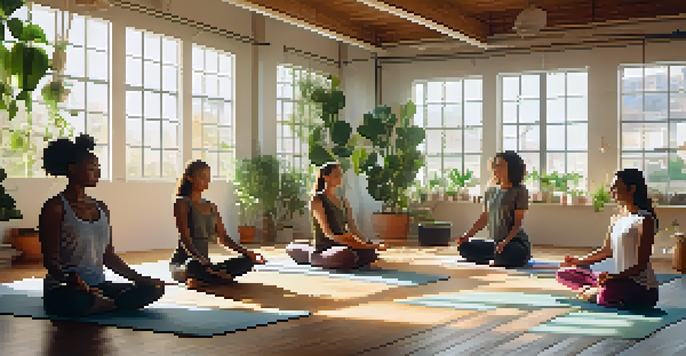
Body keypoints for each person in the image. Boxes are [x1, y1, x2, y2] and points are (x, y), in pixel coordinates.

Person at [39, 134, 165, 317]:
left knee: (154, 289)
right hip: (65, 288)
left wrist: (139, 278)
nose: (98, 173)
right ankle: (105, 303)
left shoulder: (101, 208)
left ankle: (102, 303)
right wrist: (70, 280)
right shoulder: (55, 207)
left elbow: (109, 256)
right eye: (91, 168)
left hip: (99, 286)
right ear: (72, 169)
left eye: (98, 168)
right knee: (76, 300)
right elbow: (50, 261)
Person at [556, 168, 659, 310]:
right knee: (564, 273)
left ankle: (596, 292)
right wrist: (578, 261)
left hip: (640, 286)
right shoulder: (617, 218)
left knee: (607, 293)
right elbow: (606, 251)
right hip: (616, 279)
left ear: (632, 188)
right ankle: (597, 290)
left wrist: (613, 277)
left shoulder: (645, 219)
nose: (612, 190)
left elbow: (641, 266)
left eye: (616, 186)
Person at [169, 159, 266, 289]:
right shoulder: (182, 203)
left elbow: (224, 239)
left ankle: (209, 278)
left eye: (208, 177)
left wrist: (249, 253)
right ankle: (215, 277)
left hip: (207, 265)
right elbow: (185, 239)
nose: (207, 181)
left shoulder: (211, 207)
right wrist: (199, 259)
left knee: (246, 262)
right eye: (202, 177)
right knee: (193, 265)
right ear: (190, 178)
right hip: (185, 263)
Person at [285, 162, 386, 270]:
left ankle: (353, 258)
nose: (340, 178)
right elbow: (328, 234)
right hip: (327, 247)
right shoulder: (317, 200)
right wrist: (358, 244)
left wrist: (367, 243)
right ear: (326, 177)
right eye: (336, 175)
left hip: (345, 243)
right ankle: (316, 257)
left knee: (369, 253)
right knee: (345, 254)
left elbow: (354, 229)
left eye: (341, 175)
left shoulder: (344, 201)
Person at [457, 151, 532, 268]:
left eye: (500, 165)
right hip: (496, 243)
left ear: (511, 168)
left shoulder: (520, 191)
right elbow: (484, 217)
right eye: (495, 165)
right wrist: (467, 235)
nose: (496, 169)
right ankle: (498, 257)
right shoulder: (490, 191)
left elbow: (517, 225)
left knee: (513, 252)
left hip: (515, 242)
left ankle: (499, 257)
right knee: (464, 247)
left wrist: (505, 242)